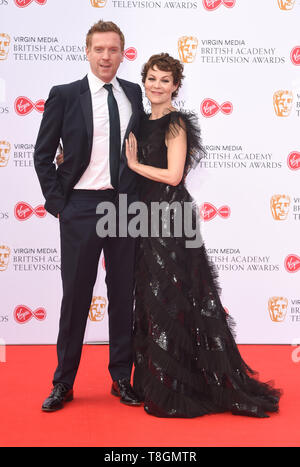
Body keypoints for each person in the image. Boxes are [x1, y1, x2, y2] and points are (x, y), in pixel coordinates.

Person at [125, 53, 281, 418]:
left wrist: (135, 164)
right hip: (145, 220)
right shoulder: (140, 121)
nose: (157, 85)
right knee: (152, 299)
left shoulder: (176, 124)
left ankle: (179, 387)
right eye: (152, 78)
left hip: (171, 220)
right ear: (144, 81)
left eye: (165, 80)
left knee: (173, 299)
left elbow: (174, 176)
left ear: (176, 86)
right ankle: (160, 380)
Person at [34, 20, 144, 412]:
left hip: (125, 208)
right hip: (80, 206)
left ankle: (121, 379)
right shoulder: (65, 95)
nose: (106, 56)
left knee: (122, 297)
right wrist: (58, 203)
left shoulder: (133, 93)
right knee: (76, 297)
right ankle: (63, 382)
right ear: (87, 51)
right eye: (99, 49)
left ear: (122, 53)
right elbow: (43, 154)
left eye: (113, 49)